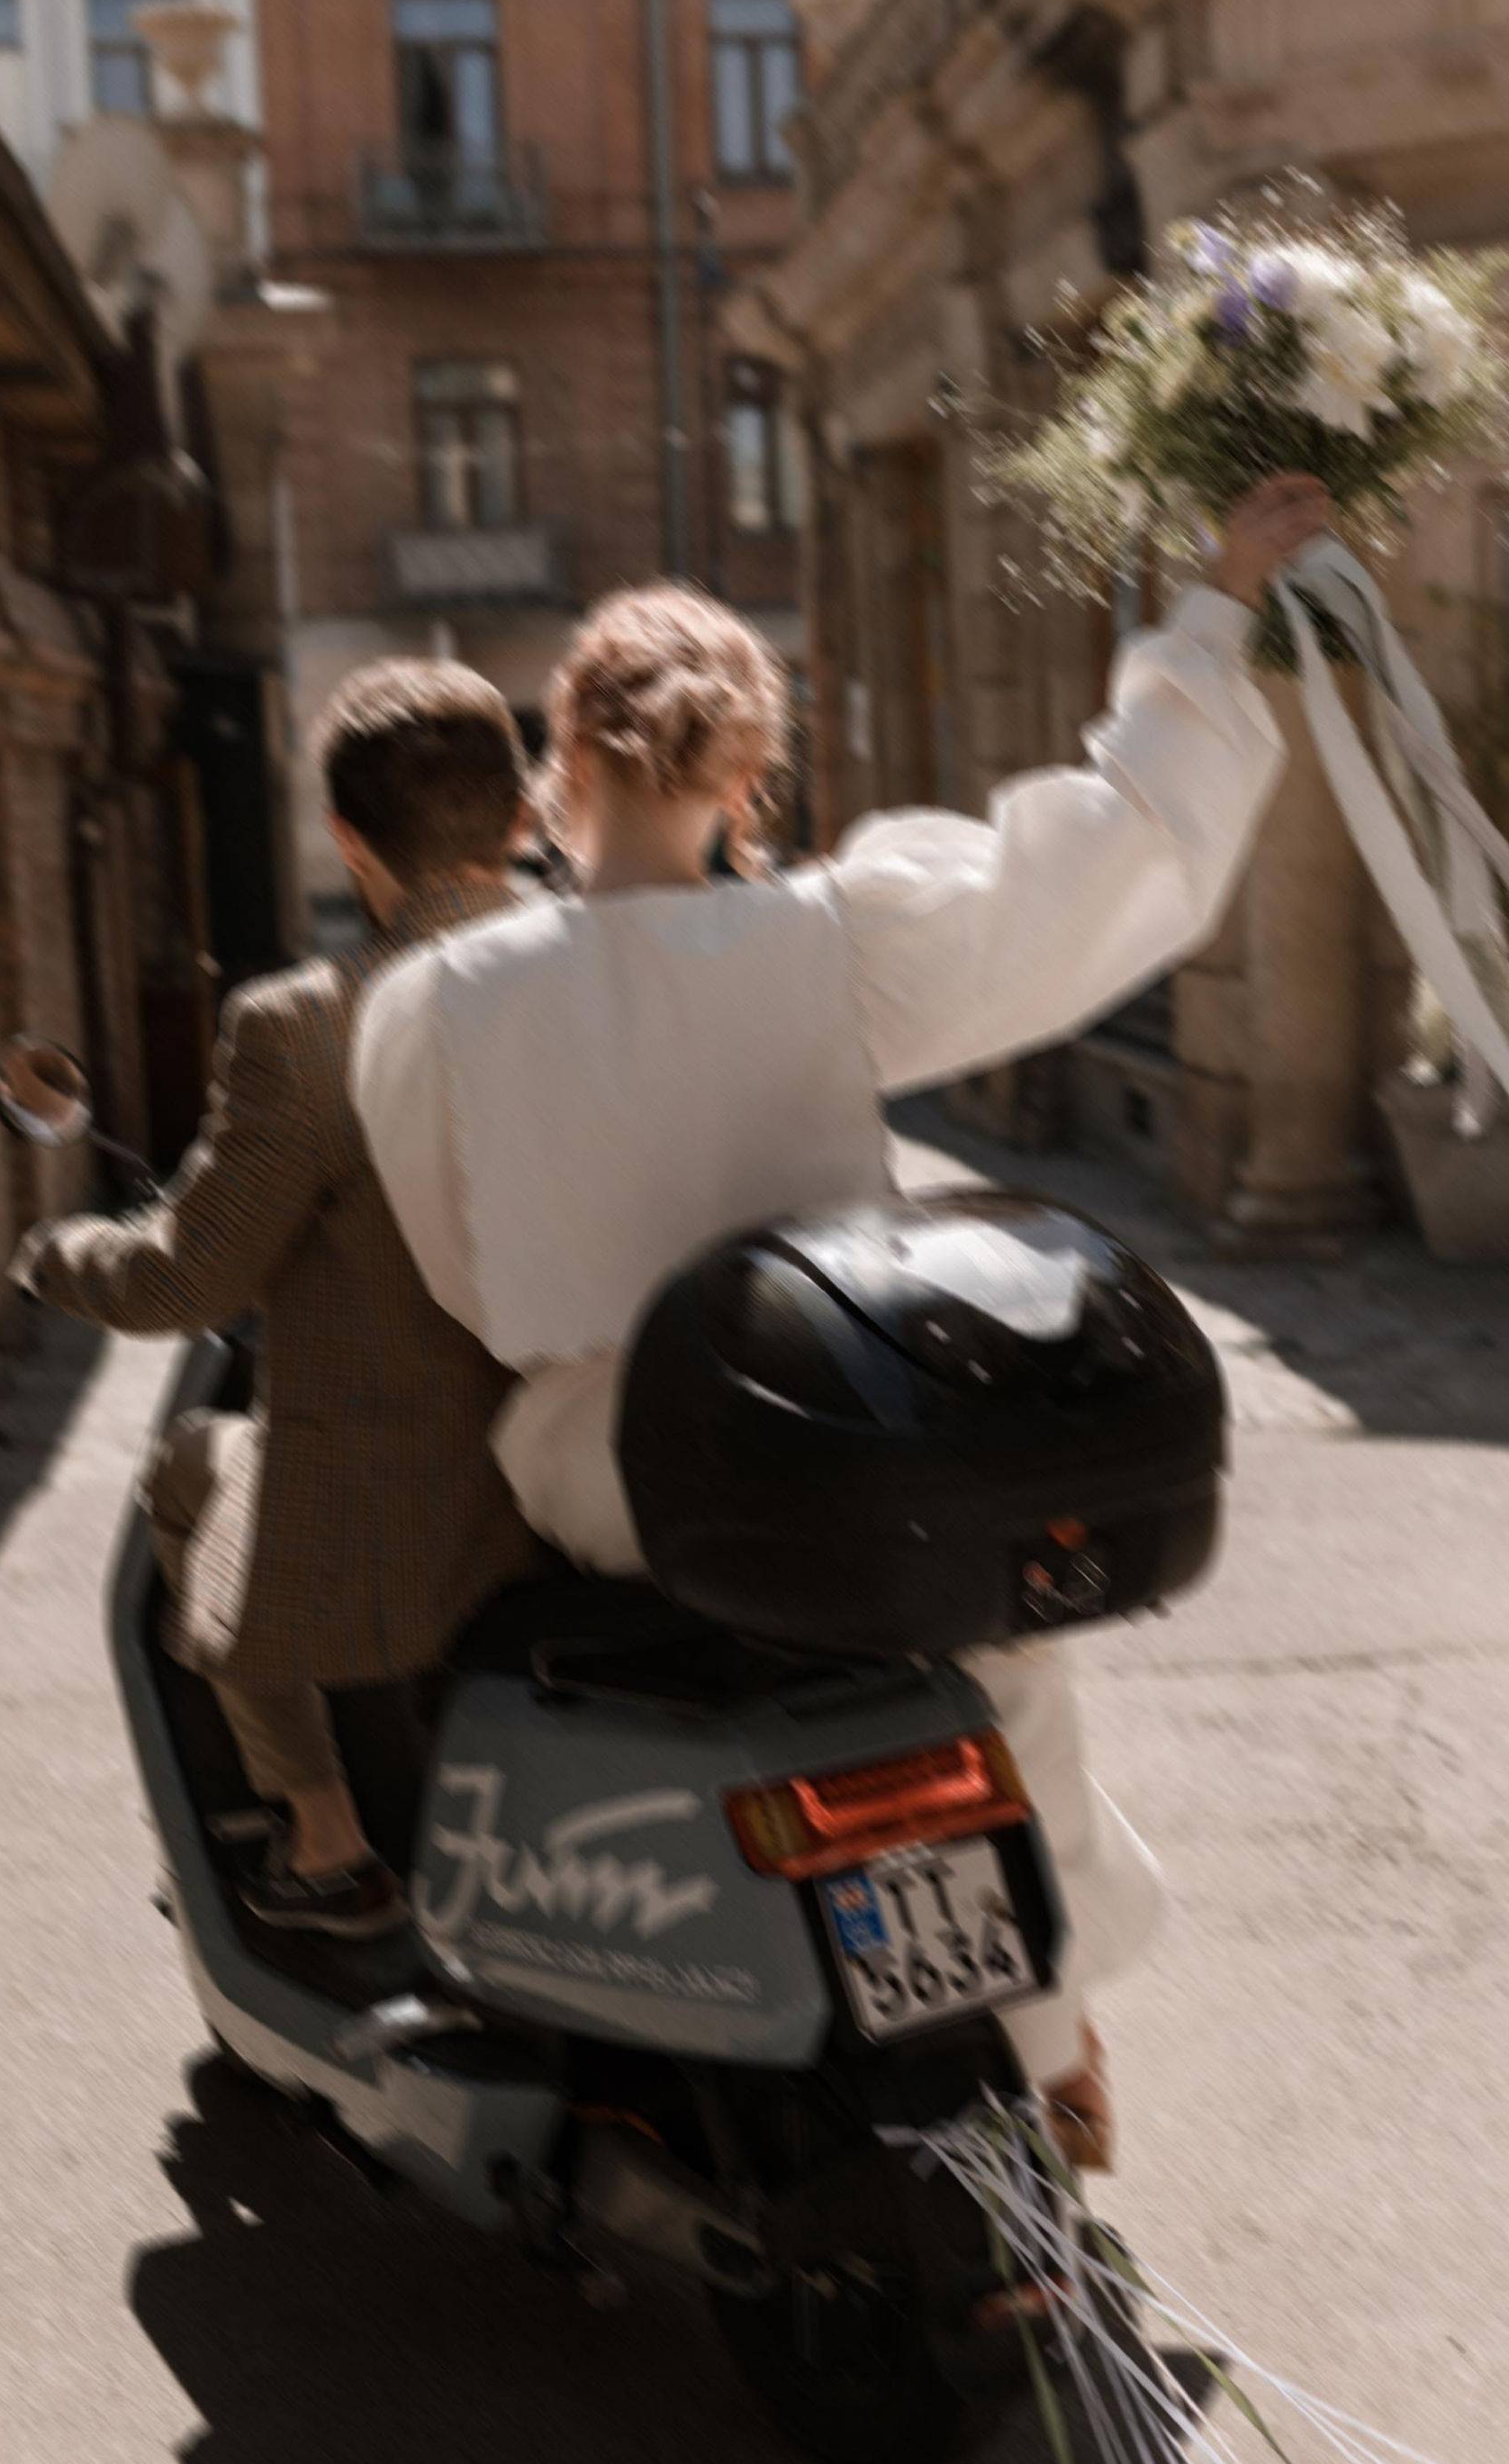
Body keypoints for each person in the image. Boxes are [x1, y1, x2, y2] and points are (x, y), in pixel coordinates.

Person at [351, 473, 1333, 2130]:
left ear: (560, 765)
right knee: (995, 1655)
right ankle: (1052, 2036)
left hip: (614, 1470)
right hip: (855, 1450)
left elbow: (457, 1274)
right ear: (749, 770)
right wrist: (1216, 608)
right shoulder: (834, 936)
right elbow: (1112, 857)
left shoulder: (444, 1002)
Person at [14, 660, 538, 1935]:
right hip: (575, 1491)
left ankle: (324, 1836)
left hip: (413, 1533)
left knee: (192, 1464)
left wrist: (50, 1254)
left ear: (347, 841)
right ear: (522, 822)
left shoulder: (303, 1027)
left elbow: (191, 1276)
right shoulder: (607, 984)